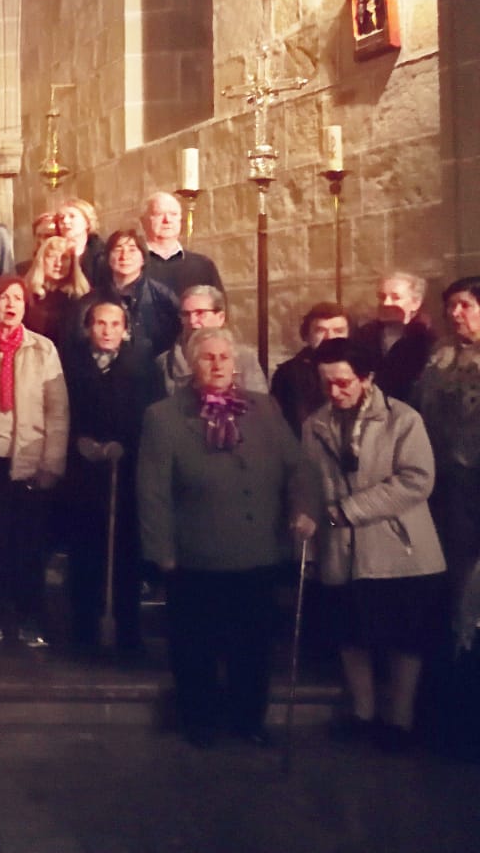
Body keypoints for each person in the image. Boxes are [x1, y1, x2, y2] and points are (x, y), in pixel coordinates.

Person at [137, 327, 320, 748]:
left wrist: (303, 508)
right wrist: (161, 551)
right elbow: (153, 492)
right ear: (191, 364)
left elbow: (298, 467)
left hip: (257, 549)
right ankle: (199, 720)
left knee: (252, 645)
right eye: (208, 358)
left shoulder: (263, 408)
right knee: (195, 646)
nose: (218, 364)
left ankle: (248, 720)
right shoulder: (164, 417)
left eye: (225, 357)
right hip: (196, 553)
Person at [303, 337, 446, 752]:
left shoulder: (402, 420)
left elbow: (416, 479)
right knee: (352, 634)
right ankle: (363, 712)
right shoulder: (315, 424)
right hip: (342, 552)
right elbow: (310, 479)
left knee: (405, 639)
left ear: (367, 379)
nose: (335, 392)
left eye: (344, 383)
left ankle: (399, 719)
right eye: (327, 383)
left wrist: (348, 510)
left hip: (400, 551)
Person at [0, 275, 69, 648]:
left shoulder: (43, 349)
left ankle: (30, 618)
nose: (9, 305)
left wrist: (51, 463)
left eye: (17, 299)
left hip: (29, 456)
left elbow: (57, 412)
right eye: (2, 298)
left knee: (29, 543)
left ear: (26, 306)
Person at [60, 300, 165, 657]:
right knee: (85, 553)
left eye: (114, 324)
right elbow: (60, 408)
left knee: (125, 555)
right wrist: (79, 440)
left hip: (127, 473)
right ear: (88, 327)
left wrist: (126, 444)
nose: (107, 331)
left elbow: (153, 416)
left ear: (125, 329)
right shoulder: (70, 364)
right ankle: (84, 632)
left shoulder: (142, 367)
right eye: (100, 323)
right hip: (83, 474)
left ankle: (126, 632)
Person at [414, 275, 480, 610]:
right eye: (451, 306)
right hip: (446, 480)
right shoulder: (439, 360)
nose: (455, 313)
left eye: (465, 305)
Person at [76, 229, 180, 361]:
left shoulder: (162, 298)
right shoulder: (89, 302)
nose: (124, 256)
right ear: (108, 258)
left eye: (132, 249)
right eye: (118, 249)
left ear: (143, 258)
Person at [159, 284, 268, 393]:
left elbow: (259, 405)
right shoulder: (165, 364)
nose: (192, 321)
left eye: (200, 313)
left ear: (220, 317)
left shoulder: (244, 359)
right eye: (186, 314)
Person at [270, 302, 352, 435]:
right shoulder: (288, 374)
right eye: (320, 330)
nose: (330, 337)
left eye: (339, 331)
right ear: (307, 335)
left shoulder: (363, 370)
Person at [357, 271, 437, 402]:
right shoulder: (364, 336)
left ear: (415, 303)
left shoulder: (427, 341)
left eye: (396, 297)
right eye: (382, 297)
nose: (386, 303)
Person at [140, 191, 223, 298]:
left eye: (173, 214)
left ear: (180, 219)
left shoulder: (202, 265)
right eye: (159, 214)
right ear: (143, 221)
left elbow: (218, 308)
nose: (167, 220)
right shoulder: (130, 264)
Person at [23, 234, 90, 345]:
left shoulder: (82, 298)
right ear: (41, 260)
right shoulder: (27, 293)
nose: (58, 263)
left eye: (64, 258)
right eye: (52, 257)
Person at [56, 197, 106, 289]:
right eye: (61, 218)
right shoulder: (54, 253)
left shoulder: (102, 254)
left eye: (72, 216)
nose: (65, 221)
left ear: (87, 222)